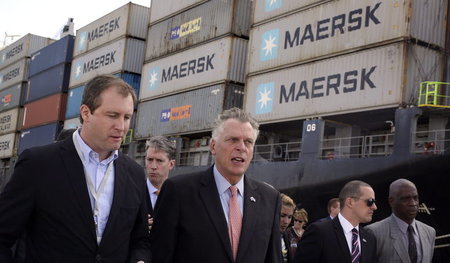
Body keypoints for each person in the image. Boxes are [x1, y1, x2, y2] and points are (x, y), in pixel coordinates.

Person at [0, 75, 151, 263]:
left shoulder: (135, 174)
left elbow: (140, 241)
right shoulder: (38, 164)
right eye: (112, 115)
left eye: (127, 117)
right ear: (86, 113)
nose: (121, 126)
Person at [150, 107, 281, 263]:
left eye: (248, 142)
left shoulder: (270, 199)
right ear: (213, 146)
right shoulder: (178, 191)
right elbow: (159, 255)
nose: (241, 147)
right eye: (233, 140)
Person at [294, 180, 377, 263]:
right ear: (350, 202)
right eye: (370, 201)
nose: (374, 207)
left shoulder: (369, 239)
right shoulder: (319, 232)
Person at [365, 179, 436, 263]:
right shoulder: (373, 233)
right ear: (391, 201)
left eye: (415, 198)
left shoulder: (430, 232)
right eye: (406, 199)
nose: (413, 203)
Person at [145, 136, 176, 231]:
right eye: (150, 160)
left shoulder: (179, 196)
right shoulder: (132, 193)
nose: (153, 166)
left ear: (171, 164)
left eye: (159, 161)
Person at [280, 193, 295, 263]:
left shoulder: (287, 235)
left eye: (289, 217)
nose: (286, 221)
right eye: (282, 216)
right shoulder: (263, 238)